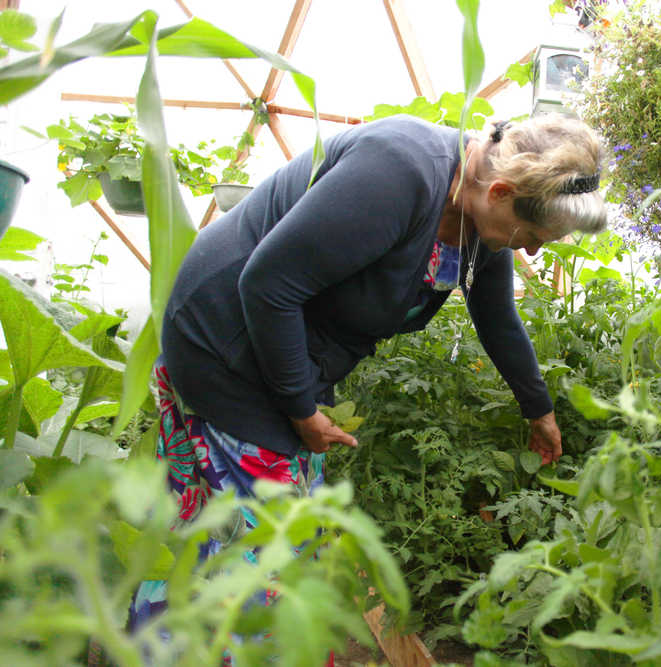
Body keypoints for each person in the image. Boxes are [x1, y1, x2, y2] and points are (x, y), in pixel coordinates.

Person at [128, 113, 606, 629]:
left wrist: (539, 409)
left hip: (277, 352)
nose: (531, 249)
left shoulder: (479, 216)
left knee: (230, 530)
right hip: (224, 344)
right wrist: (301, 410)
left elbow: (497, 318)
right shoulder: (397, 171)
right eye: (532, 234)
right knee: (269, 549)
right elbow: (267, 285)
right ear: (501, 191)